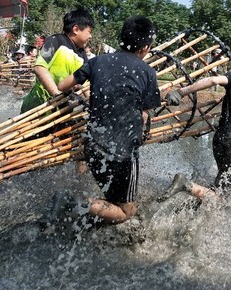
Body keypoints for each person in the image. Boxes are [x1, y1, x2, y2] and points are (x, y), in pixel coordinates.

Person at [56, 16, 161, 224]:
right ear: (145, 48)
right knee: (126, 212)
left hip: (93, 146)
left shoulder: (97, 61)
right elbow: (143, 115)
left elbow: (62, 85)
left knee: (111, 196)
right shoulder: (148, 73)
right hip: (122, 153)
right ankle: (75, 203)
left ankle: (89, 215)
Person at [159, 47, 231, 202]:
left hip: (221, 141)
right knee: (223, 196)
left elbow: (213, 80)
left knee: (220, 179)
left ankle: (193, 205)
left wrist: (181, 92)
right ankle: (186, 185)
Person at [20, 8, 94, 114]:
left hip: (62, 109)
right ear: (76, 29)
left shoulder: (82, 54)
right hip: (39, 105)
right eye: (89, 32)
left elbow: (86, 85)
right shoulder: (56, 41)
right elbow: (39, 68)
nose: (90, 36)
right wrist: (57, 94)